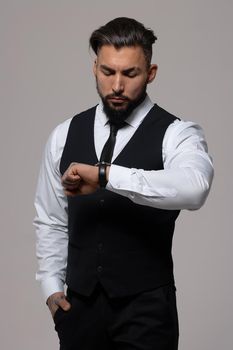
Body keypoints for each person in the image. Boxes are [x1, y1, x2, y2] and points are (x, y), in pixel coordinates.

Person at [34, 17, 214, 350]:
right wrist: (51, 288)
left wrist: (105, 175)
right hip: (79, 310)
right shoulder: (64, 134)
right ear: (95, 68)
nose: (117, 86)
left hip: (147, 311)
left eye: (130, 74)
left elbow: (195, 187)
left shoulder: (177, 134)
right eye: (107, 72)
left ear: (151, 73)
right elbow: (51, 219)